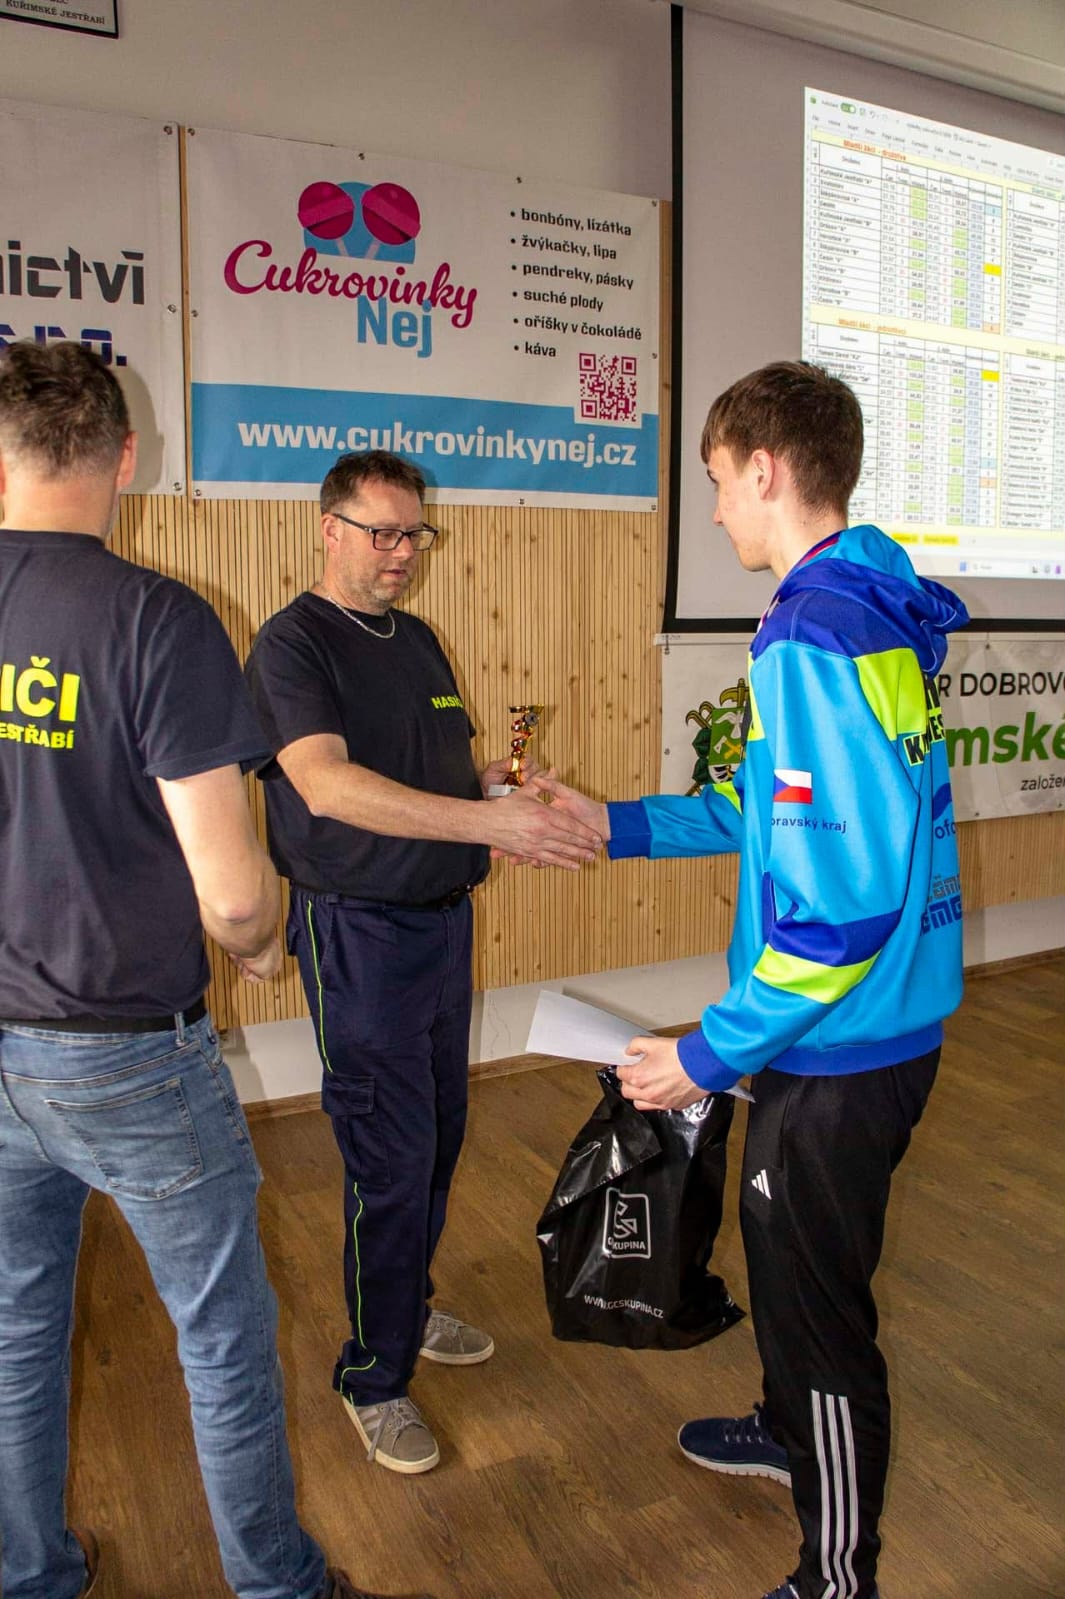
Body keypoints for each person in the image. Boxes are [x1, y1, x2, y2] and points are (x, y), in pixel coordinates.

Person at [0, 343, 429, 1599]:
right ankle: (278, 1584)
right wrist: (259, 946)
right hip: (128, 1053)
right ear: (126, 458)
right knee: (224, 1338)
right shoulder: (156, 618)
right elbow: (236, 895)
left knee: (16, 1330)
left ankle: (28, 1574)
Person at [536, 362, 967, 1599]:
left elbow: (840, 909)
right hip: (868, 1031)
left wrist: (709, 1053)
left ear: (767, 472)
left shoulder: (811, 631)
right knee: (786, 1281)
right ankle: (786, 1432)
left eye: (721, 482)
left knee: (821, 1318)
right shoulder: (862, 602)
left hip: (838, 1051)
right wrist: (615, 823)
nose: (718, 508)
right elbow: (771, 811)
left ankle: (837, 1577)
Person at [244, 449, 601, 1476]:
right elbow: (326, 787)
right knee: (389, 1159)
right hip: (357, 934)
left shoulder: (420, 639)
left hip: (443, 926)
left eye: (415, 534)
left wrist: (491, 786)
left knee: (438, 1141)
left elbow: (426, 774)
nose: (402, 552)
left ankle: (403, 1306)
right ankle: (373, 1376)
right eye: (382, 533)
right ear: (330, 528)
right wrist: (490, 824)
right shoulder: (292, 644)